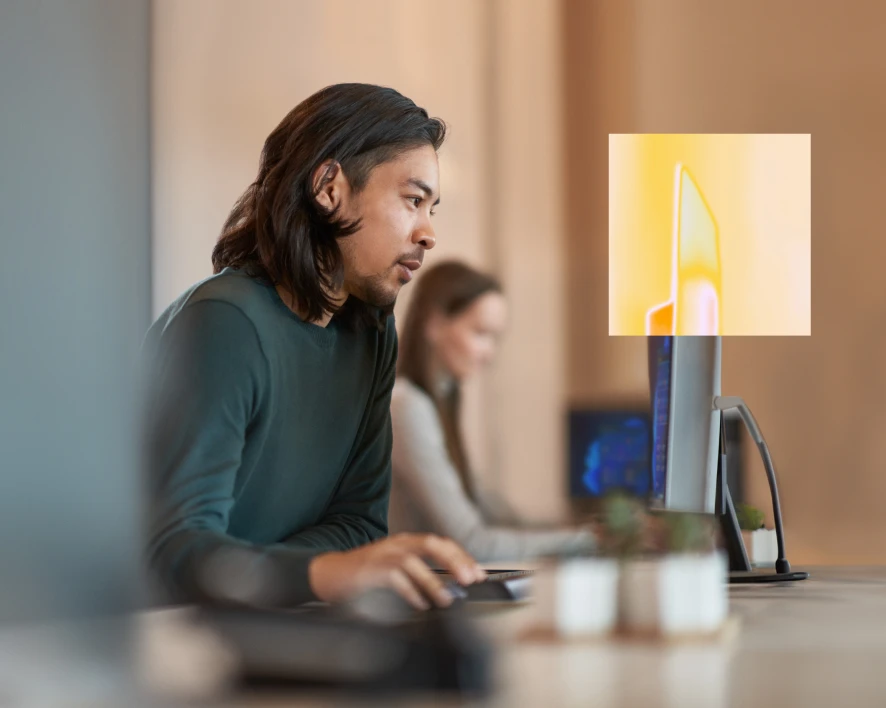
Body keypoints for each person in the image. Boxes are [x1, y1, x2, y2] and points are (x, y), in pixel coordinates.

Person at [144, 83, 485, 611]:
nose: (428, 234)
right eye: (413, 200)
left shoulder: (372, 334)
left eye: (431, 209)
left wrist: (294, 574)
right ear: (329, 188)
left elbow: (360, 525)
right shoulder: (224, 322)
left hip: (278, 621)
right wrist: (321, 573)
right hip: (171, 637)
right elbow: (174, 552)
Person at [391, 261, 597, 561]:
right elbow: (472, 543)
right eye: (480, 333)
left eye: (495, 338)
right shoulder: (407, 406)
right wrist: (587, 540)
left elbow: (500, 517)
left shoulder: (440, 404)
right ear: (435, 324)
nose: (489, 353)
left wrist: (586, 530)